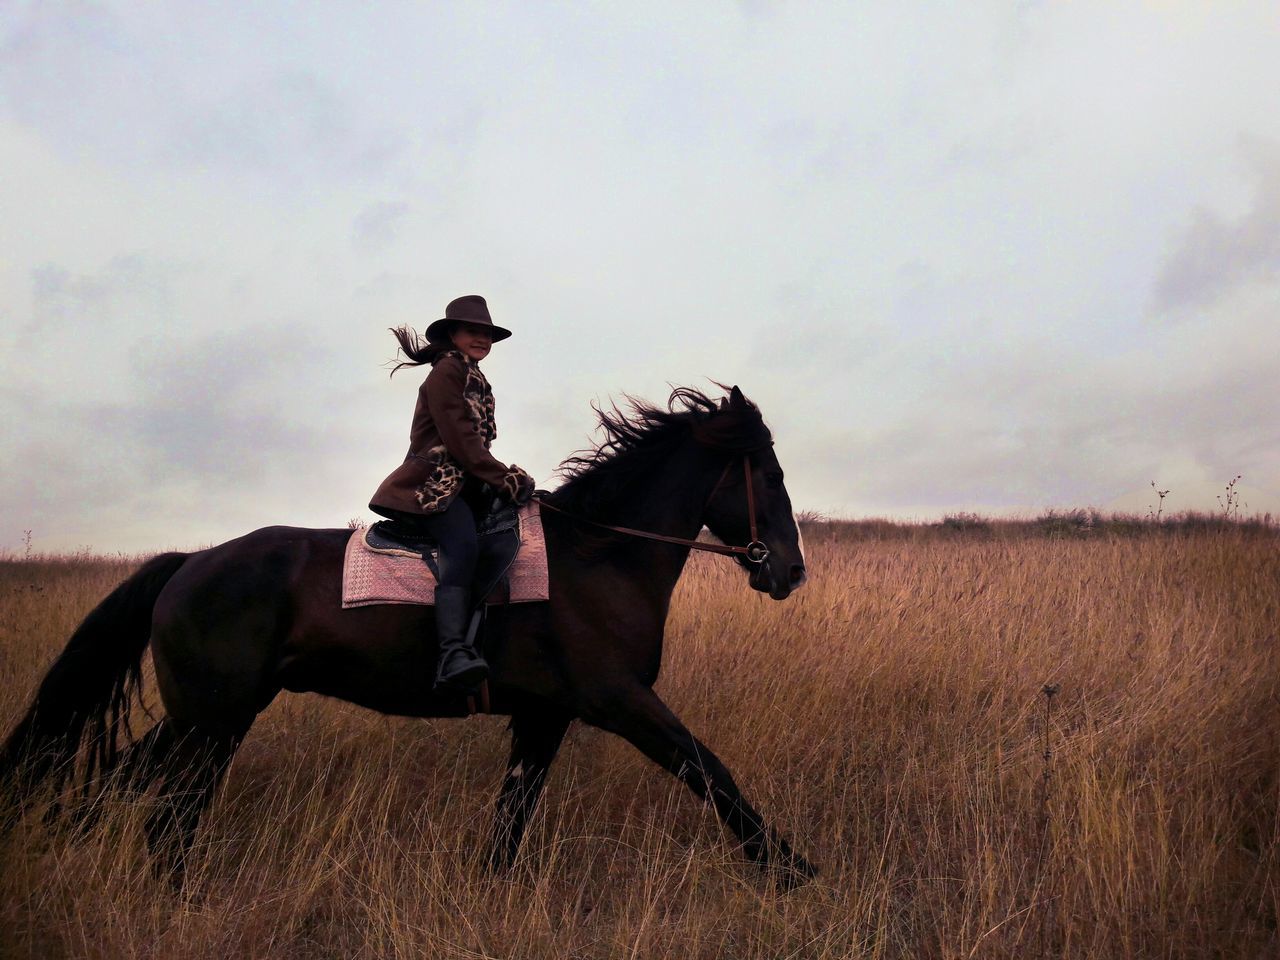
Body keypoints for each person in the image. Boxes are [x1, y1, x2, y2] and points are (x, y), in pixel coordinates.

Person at [369, 294, 534, 693]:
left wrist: (505, 482)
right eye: (472, 331)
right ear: (453, 336)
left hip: (465, 484)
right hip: (433, 486)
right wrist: (504, 478)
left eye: (487, 334)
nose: (481, 339)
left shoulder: (473, 374)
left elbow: (476, 449)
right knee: (462, 547)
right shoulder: (447, 372)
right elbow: (461, 444)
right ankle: (452, 652)